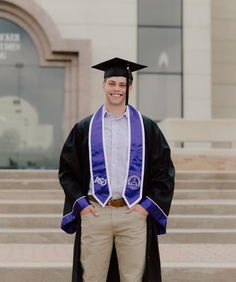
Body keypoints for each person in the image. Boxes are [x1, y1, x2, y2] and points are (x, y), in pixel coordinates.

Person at [59, 57, 175, 282]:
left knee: (133, 278)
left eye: (122, 85)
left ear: (130, 88)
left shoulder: (146, 127)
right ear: (103, 85)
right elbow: (67, 171)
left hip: (132, 214)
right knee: (92, 277)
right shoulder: (85, 127)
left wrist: (145, 208)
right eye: (112, 83)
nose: (117, 89)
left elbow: (164, 172)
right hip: (95, 213)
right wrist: (81, 205)